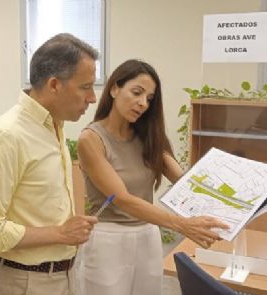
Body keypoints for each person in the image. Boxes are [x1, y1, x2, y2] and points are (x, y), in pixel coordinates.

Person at [77, 59, 229, 294]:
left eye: (149, 99)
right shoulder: (91, 139)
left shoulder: (148, 137)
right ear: (115, 88)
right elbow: (123, 199)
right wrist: (182, 224)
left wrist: (233, 197)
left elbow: (185, 182)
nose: (142, 103)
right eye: (136, 93)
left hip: (147, 235)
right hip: (109, 239)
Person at [0, 33, 99, 295]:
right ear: (54, 85)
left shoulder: (55, 125)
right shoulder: (7, 136)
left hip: (65, 275)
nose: (93, 98)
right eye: (85, 87)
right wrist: (60, 234)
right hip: (25, 282)